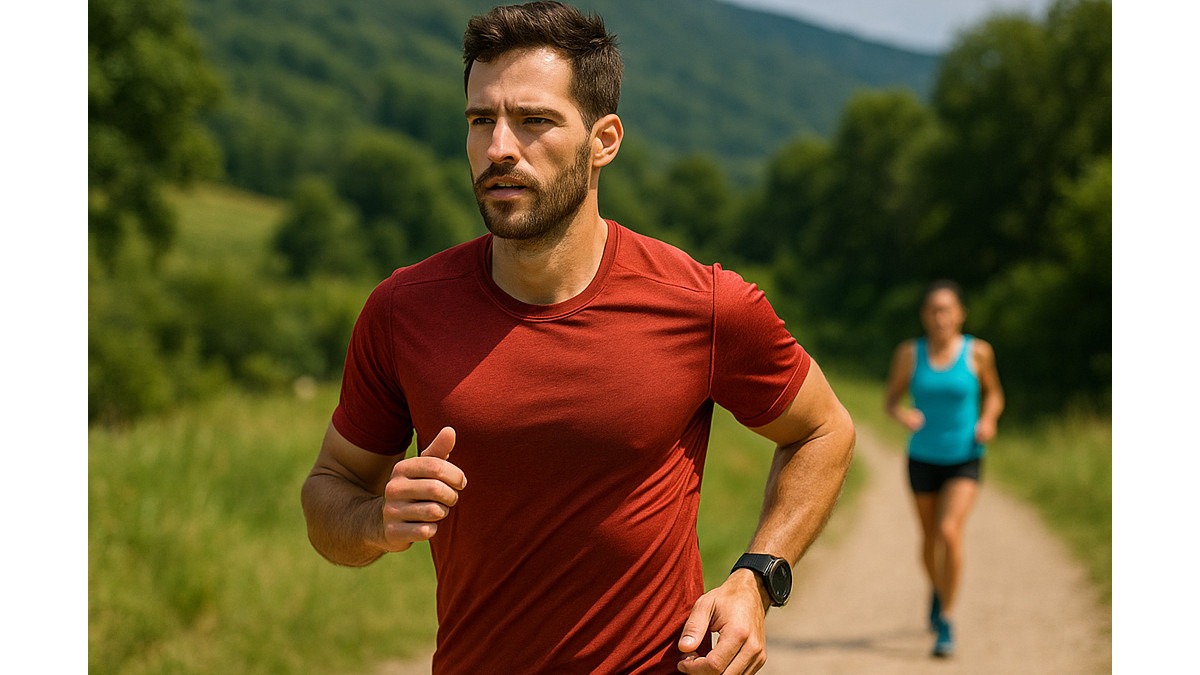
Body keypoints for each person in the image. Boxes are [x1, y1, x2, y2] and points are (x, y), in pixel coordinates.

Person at [300, 2, 855, 673]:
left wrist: (756, 580)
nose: (499, 147)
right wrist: (374, 523)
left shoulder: (705, 305)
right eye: (481, 120)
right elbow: (331, 488)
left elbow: (824, 430)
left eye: (534, 121)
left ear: (604, 140)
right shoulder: (402, 311)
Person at [883, 279, 1005, 658]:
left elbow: (995, 394)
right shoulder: (909, 353)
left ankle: (947, 619)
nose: (941, 317)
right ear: (924, 315)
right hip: (922, 457)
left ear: (960, 314)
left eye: (947, 309)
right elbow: (890, 401)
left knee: (949, 532)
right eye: (934, 310)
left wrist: (988, 419)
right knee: (928, 540)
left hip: (965, 455)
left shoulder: (978, 352)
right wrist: (904, 416)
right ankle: (938, 588)